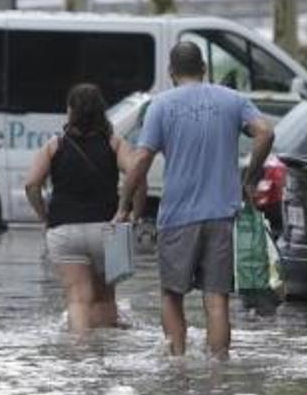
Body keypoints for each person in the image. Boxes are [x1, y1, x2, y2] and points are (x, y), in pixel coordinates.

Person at [114, 41, 276, 359]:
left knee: (171, 295)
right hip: (222, 215)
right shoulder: (232, 100)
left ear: (171, 72)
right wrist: (250, 178)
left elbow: (142, 160)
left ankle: (177, 366)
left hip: (177, 217)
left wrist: (124, 204)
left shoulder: (161, 105)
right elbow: (266, 133)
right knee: (216, 299)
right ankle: (219, 371)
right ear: (204, 68)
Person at [25, 84, 143, 333]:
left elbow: (32, 185)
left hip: (64, 230)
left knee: (78, 298)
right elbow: (137, 173)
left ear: (70, 111)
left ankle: (80, 353)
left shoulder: (54, 146)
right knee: (105, 297)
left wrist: (45, 217)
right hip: (106, 230)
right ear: (102, 111)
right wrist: (132, 213)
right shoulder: (114, 144)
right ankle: (104, 356)